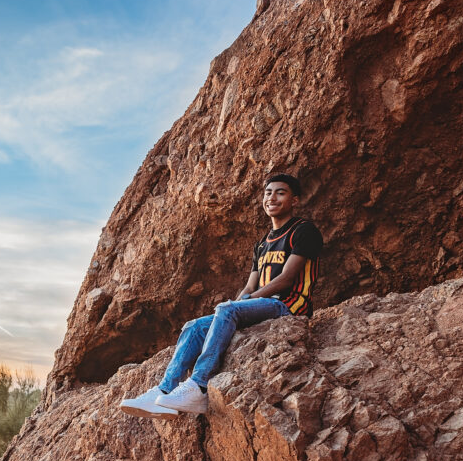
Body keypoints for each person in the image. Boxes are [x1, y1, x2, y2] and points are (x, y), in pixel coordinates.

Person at [119, 173, 323, 417]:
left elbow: (287, 278)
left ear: (294, 200)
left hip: (289, 306)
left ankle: (199, 386)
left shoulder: (303, 231)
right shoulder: (262, 243)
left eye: (281, 193)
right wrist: (239, 304)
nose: (272, 198)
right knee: (194, 327)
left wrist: (241, 305)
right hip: (262, 306)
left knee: (227, 309)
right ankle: (163, 390)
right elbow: (249, 286)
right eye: (268, 193)